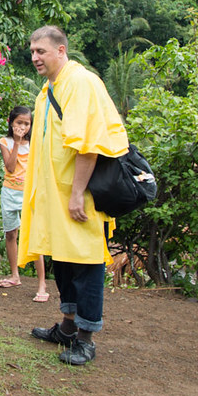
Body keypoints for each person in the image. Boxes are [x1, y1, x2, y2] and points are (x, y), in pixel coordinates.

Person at [19, 25, 128, 366]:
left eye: (41, 51)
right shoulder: (50, 87)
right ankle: (67, 327)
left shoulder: (80, 83)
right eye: (32, 51)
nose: (35, 57)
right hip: (56, 193)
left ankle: (86, 338)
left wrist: (77, 193)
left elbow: (88, 144)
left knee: (86, 262)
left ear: (61, 50)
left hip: (79, 193)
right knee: (64, 260)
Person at [0, 107, 49, 302]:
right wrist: (17, 143)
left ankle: (42, 284)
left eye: (27, 124)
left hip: (29, 193)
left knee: (34, 237)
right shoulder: (5, 142)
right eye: (19, 122)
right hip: (10, 192)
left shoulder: (35, 143)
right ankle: (14, 275)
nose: (23, 127)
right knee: (11, 234)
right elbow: (10, 168)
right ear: (11, 122)